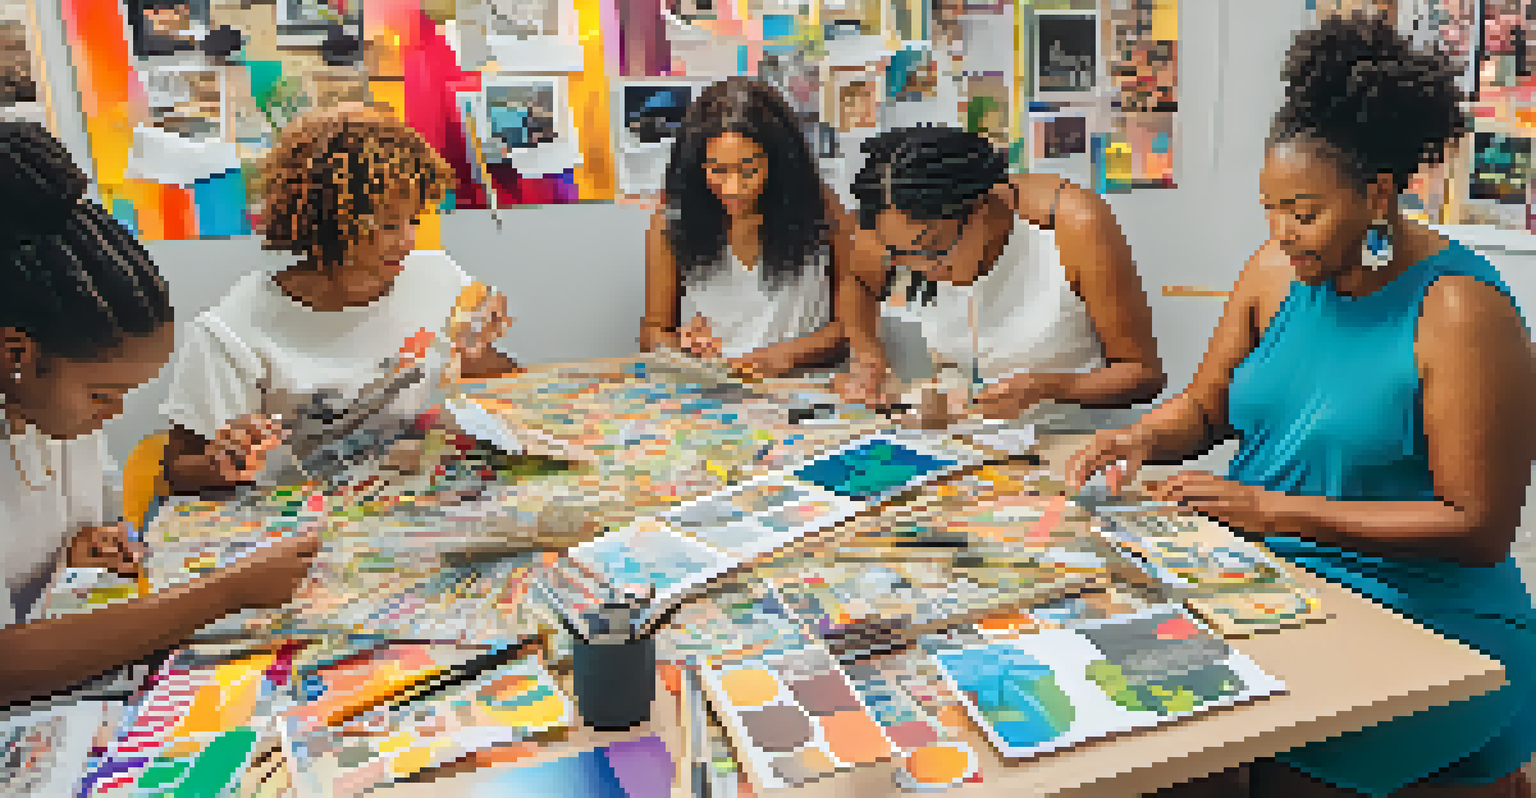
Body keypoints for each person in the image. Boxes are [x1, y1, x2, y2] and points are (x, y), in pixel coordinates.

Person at [1067, 14, 1535, 798]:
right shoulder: (1275, 272)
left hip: (1425, 615)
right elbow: (1208, 408)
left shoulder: (1457, 310)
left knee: (1241, 758)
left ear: (1377, 194)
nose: (1282, 233)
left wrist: (1268, 509)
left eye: (1304, 212)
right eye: (1270, 207)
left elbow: (1476, 528)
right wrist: (1143, 438)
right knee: (1110, 707)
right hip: (1266, 579)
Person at [0, 120, 320, 715]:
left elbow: (73, 537)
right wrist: (224, 593)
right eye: (102, 395)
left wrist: (84, 550)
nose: (115, 414)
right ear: (15, 355)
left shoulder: (55, 417)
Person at [161, 103, 521, 495]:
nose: (407, 241)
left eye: (414, 220)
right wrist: (224, 459)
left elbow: (492, 379)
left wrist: (478, 344)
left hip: (408, 498)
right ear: (325, 220)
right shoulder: (232, 331)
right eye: (386, 224)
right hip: (297, 517)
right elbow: (179, 469)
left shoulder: (437, 276)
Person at [837, 124, 1165, 424]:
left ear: (980, 207)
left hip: (1071, 439)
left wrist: (1050, 386)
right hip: (966, 445)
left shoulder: (1075, 226)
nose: (923, 270)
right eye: (901, 258)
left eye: (933, 248)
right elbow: (857, 283)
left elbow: (1142, 375)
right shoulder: (892, 228)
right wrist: (868, 355)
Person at [640, 77, 852, 380]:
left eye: (749, 170)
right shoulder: (670, 220)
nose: (734, 188)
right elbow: (654, 332)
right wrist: (681, 345)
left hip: (803, 390)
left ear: (779, 160)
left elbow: (853, 326)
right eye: (717, 170)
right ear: (695, 164)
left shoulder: (824, 209)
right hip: (715, 393)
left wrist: (782, 357)